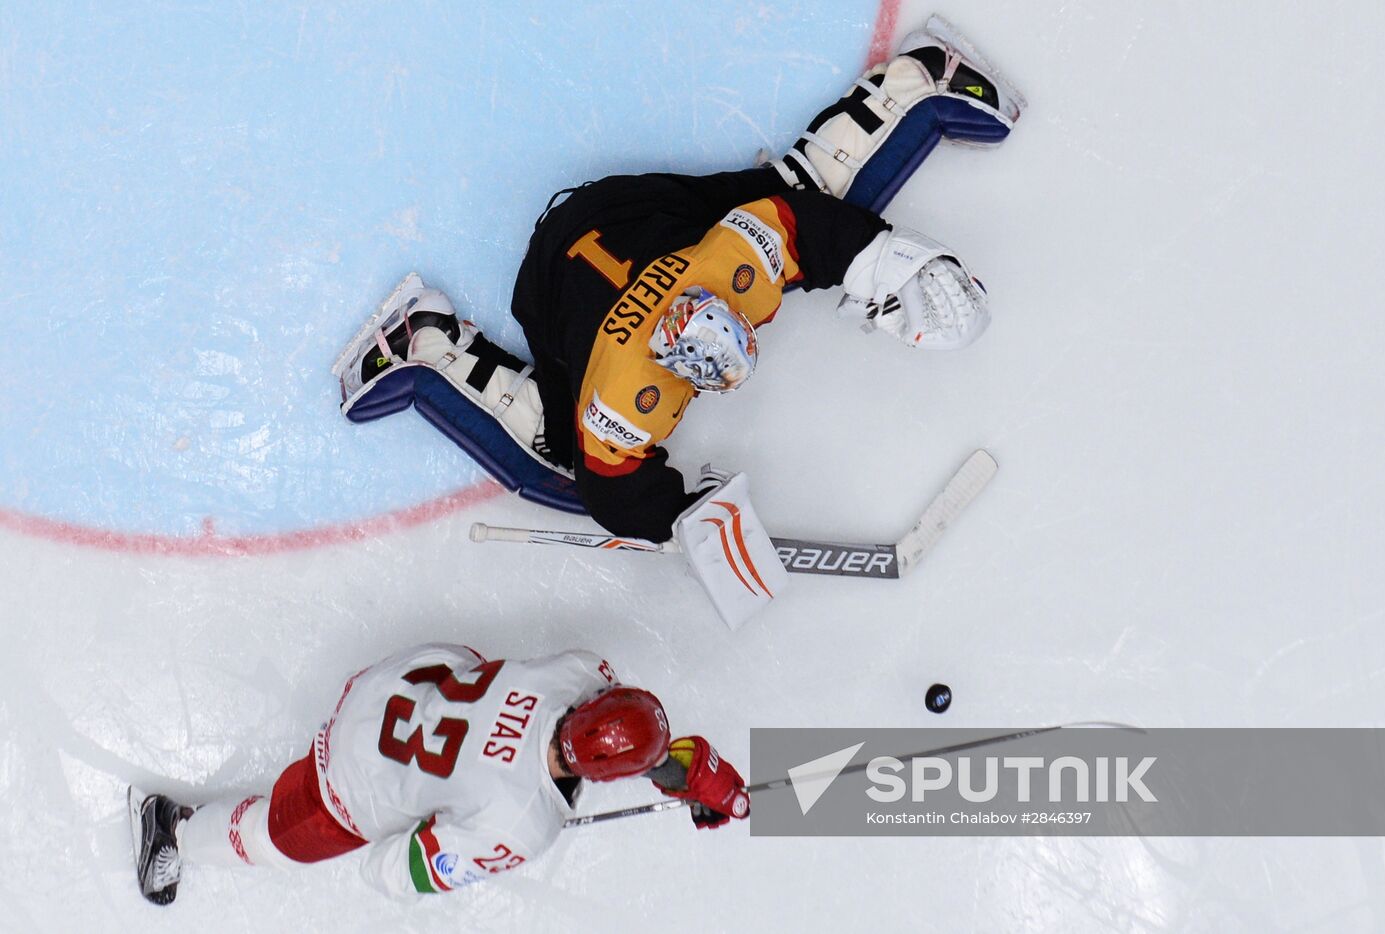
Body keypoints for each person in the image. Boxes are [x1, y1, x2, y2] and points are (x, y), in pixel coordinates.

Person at [333, 15, 1023, 624]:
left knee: (803, 201)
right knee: (567, 450)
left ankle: (921, 79)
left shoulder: (662, 358)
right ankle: (425, 344)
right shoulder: (642, 374)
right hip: (568, 262)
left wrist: (684, 520)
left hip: (609, 224)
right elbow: (612, 495)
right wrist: (895, 262)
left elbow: (622, 499)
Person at [129, 643, 748, 904]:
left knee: (474, 668)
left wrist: (694, 772)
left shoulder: (577, 673)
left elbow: (617, 720)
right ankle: (170, 830)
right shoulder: (524, 824)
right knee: (277, 842)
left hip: (385, 686)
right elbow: (387, 870)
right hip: (348, 780)